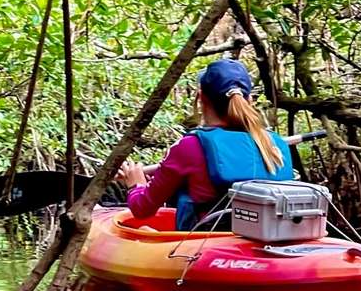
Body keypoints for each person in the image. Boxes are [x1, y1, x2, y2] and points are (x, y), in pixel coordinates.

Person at [117, 59, 294, 228]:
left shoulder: (189, 146)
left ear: (201, 97)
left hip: (206, 243)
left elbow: (142, 209)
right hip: (271, 236)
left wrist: (136, 185)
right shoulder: (275, 144)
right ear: (249, 101)